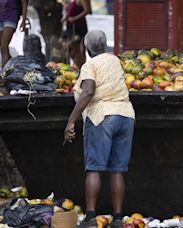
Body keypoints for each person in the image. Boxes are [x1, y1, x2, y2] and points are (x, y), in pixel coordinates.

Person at [64, 30, 135, 228]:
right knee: (117, 171)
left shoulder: (90, 65)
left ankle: (91, 218)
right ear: (104, 45)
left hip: (102, 116)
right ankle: (119, 218)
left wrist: (71, 121)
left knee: (94, 168)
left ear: (87, 48)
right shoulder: (114, 60)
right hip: (125, 115)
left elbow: (88, 91)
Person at [0, 0, 28, 68]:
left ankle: (4, 75)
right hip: (0, 17)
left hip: (11, 17)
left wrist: (23, 21)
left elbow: (24, 2)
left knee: (4, 46)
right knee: (3, 48)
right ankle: (11, 68)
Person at [63, 0, 91, 68]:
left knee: (78, 50)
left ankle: (82, 68)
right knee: (69, 49)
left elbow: (88, 10)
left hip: (78, 28)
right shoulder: (69, 1)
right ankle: (72, 67)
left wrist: (75, 18)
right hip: (70, 28)